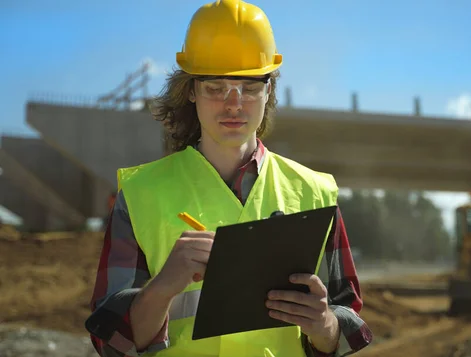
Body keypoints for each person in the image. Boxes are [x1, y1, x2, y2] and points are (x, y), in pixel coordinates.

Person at [86, 0, 372, 356]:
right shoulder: (141, 194)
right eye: (215, 87)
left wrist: (325, 325)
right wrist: (161, 289)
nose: (234, 104)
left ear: (270, 89)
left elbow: (346, 322)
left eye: (250, 87)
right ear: (191, 90)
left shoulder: (315, 192)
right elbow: (110, 341)